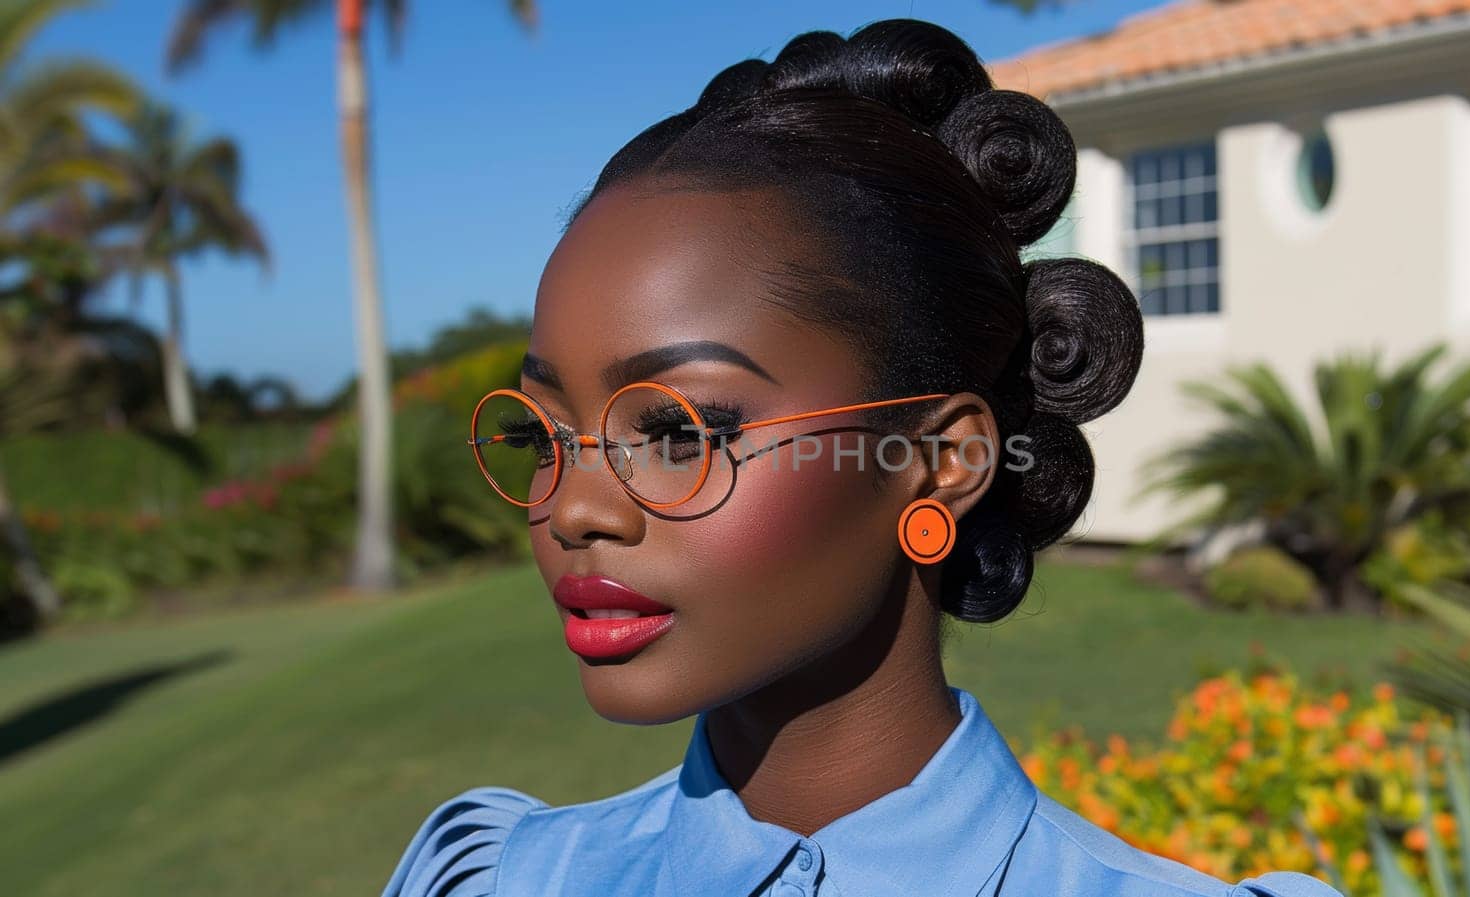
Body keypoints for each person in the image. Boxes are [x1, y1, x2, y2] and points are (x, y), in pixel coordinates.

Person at [380, 18, 1345, 897]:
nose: (573, 507)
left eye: (678, 431)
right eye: (538, 433)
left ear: (940, 463)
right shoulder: (504, 878)